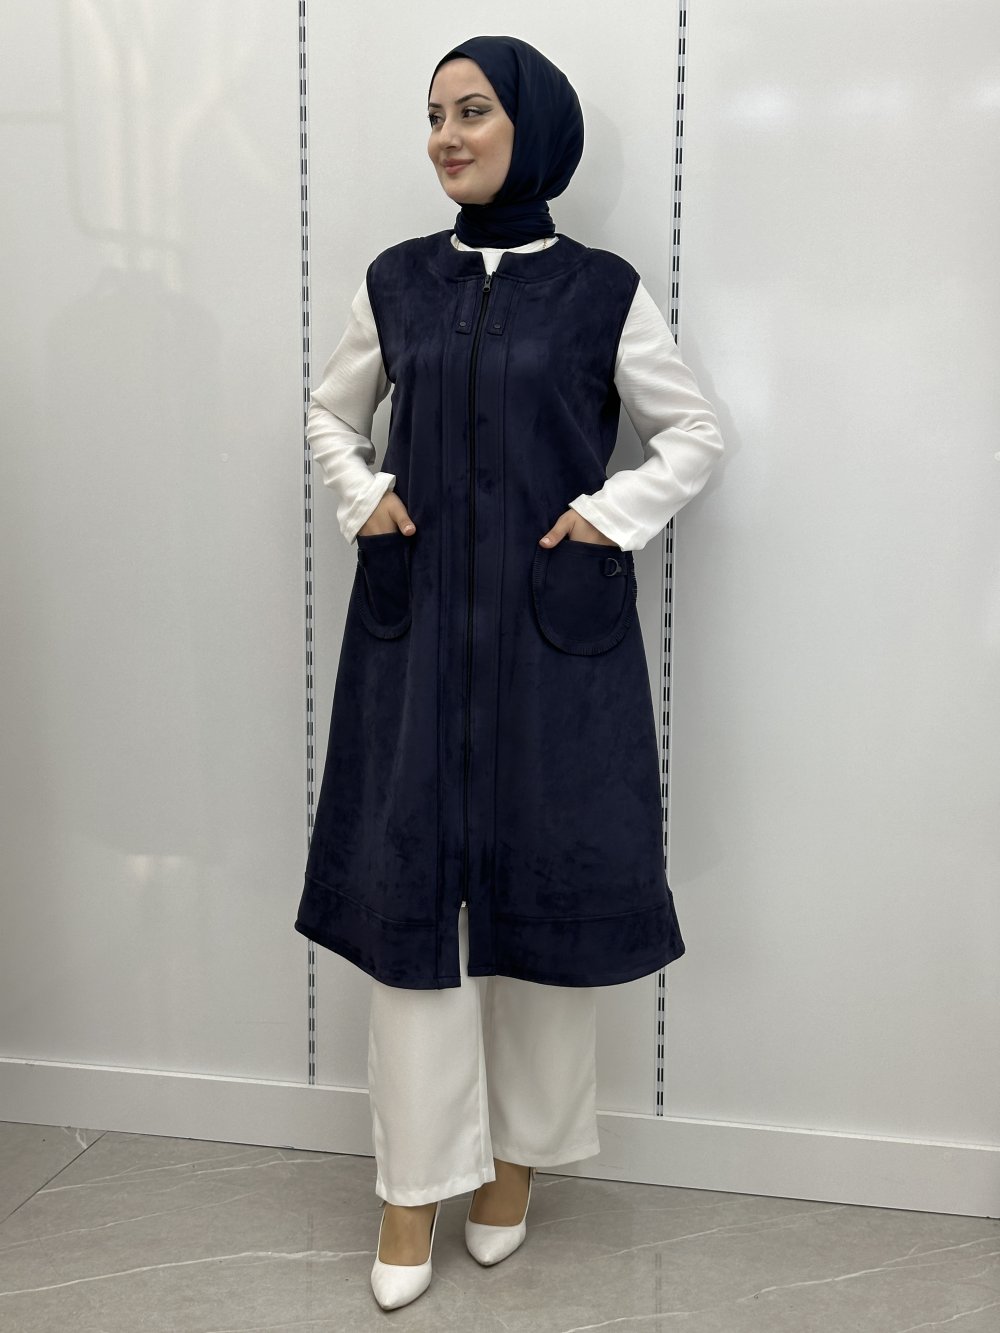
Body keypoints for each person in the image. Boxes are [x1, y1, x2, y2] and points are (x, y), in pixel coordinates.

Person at [294, 35, 725, 1310]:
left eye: (472, 110)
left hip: (553, 643)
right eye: (434, 114)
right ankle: (411, 1184)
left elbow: (694, 431)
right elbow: (328, 411)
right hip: (416, 636)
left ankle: (517, 1160)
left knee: (548, 894)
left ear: (530, 126)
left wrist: (607, 516)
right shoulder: (397, 281)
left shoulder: (600, 292)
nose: (446, 135)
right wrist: (362, 495)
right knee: (412, 898)